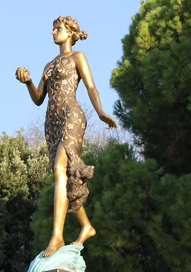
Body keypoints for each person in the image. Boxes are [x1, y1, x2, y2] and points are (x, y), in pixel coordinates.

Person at [15, 15, 117, 258]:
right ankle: (86, 226)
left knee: (61, 169)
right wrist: (28, 81)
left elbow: (91, 86)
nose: (53, 32)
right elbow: (39, 98)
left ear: (70, 33)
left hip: (72, 116)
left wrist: (100, 112)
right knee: (68, 177)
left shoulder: (77, 57)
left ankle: (57, 236)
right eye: (53, 29)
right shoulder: (48, 65)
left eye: (58, 28)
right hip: (52, 122)